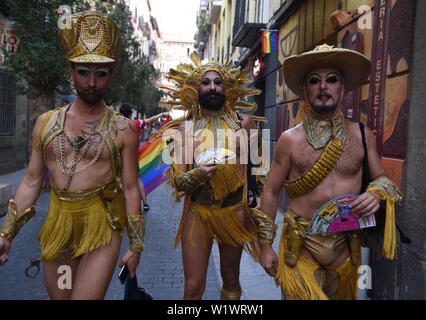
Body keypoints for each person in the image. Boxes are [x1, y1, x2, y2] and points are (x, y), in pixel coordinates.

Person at [0, 11, 145, 300]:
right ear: (71, 71)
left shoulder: (123, 129)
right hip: (59, 228)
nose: (91, 82)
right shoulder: (46, 123)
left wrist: (135, 247)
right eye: (83, 72)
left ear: (111, 75)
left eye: (100, 74)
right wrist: (6, 234)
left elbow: (130, 187)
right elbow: (31, 181)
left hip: (102, 229)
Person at [252, 44, 402, 300]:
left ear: (341, 87)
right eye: (315, 81)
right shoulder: (289, 140)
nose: (323, 87)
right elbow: (271, 191)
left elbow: (384, 180)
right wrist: (265, 248)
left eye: (331, 80)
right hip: (300, 247)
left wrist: (376, 194)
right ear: (305, 89)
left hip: (346, 247)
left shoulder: (362, 135)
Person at [160, 52, 266, 300]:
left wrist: (258, 196)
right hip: (198, 212)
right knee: (193, 286)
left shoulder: (245, 124)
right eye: (205, 83)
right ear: (196, 88)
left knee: (231, 280)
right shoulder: (184, 129)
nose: (212, 87)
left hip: (234, 211)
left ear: (226, 88)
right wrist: (196, 176)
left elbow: (260, 165)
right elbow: (177, 180)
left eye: (217, 82)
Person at [119, 103, 169, 211]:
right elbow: (150, 120)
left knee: (119, 179)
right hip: (133, 158)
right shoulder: (135, 123)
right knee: (137, 180)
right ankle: (145, 203)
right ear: (130, 114)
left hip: (119, 158)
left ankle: (121, 204)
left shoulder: (116, 125)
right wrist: (162, 114)